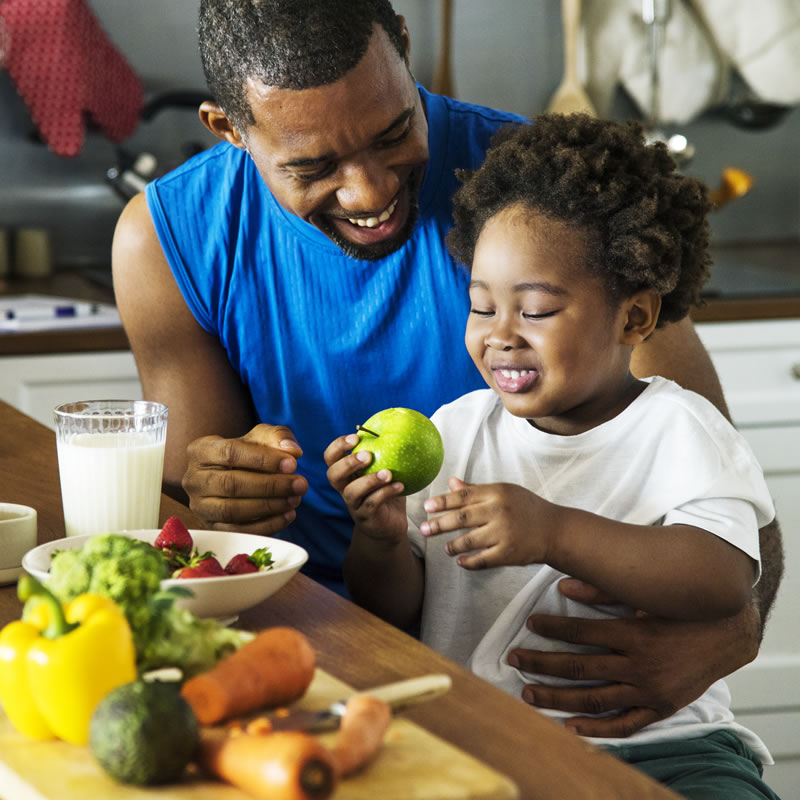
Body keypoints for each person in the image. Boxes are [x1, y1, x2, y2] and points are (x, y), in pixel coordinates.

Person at [111, 0, 784, 741]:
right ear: (228, 129)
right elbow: (193, 525)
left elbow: (726, 497)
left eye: (393, 132)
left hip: (579, 692)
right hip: (311, 648)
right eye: (313, 166)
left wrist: (733, 634)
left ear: (403, 45)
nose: (369, 193)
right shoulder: (168, 239)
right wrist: (222, 491)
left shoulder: (548, 207)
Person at [325, 113, 781, 798]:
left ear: (635, 318)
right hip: (484, 739)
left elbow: (722, 581)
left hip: (666, 747)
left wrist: (553, 531)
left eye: (534, 311)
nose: (500, 337)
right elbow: (396, 611)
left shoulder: (680, 430)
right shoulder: (457, 431)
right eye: (482, 307)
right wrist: (381, 540)